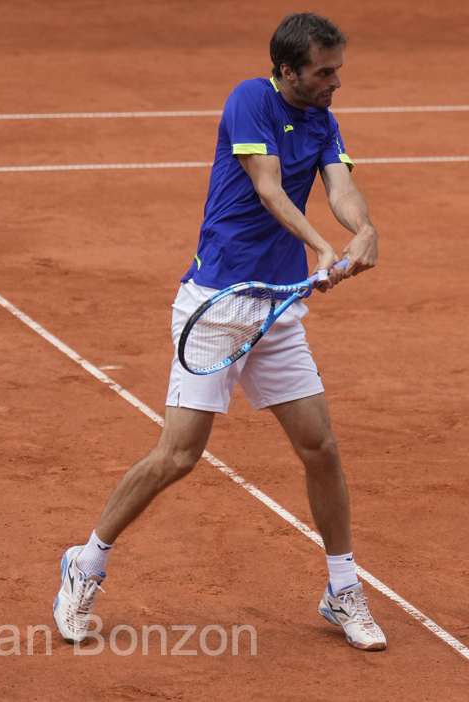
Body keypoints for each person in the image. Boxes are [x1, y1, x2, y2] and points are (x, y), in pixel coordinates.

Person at [52, 12, 386, 652]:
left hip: (276, 309)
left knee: (319, 447)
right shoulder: (250, 100)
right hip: (217, 305)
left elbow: (341, 188)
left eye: (337, 70)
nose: (336, 82)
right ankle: (85, 563)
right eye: (324, 72)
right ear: (288, 71)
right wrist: (322, 247)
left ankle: (342, 589)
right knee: (178, 456)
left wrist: (363, 229)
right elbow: (268, 189)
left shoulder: (322, 118)